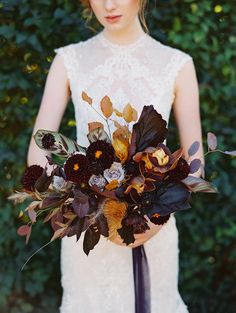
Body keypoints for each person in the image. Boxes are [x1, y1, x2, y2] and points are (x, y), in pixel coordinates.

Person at [27, 0, 204, 312]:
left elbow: (195, 163)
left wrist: (156, 219)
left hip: (153, 229)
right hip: (87, 229)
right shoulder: (69, 60)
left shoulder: (177, 64)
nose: (109, 5)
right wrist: (74, 205)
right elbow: (40, 149)